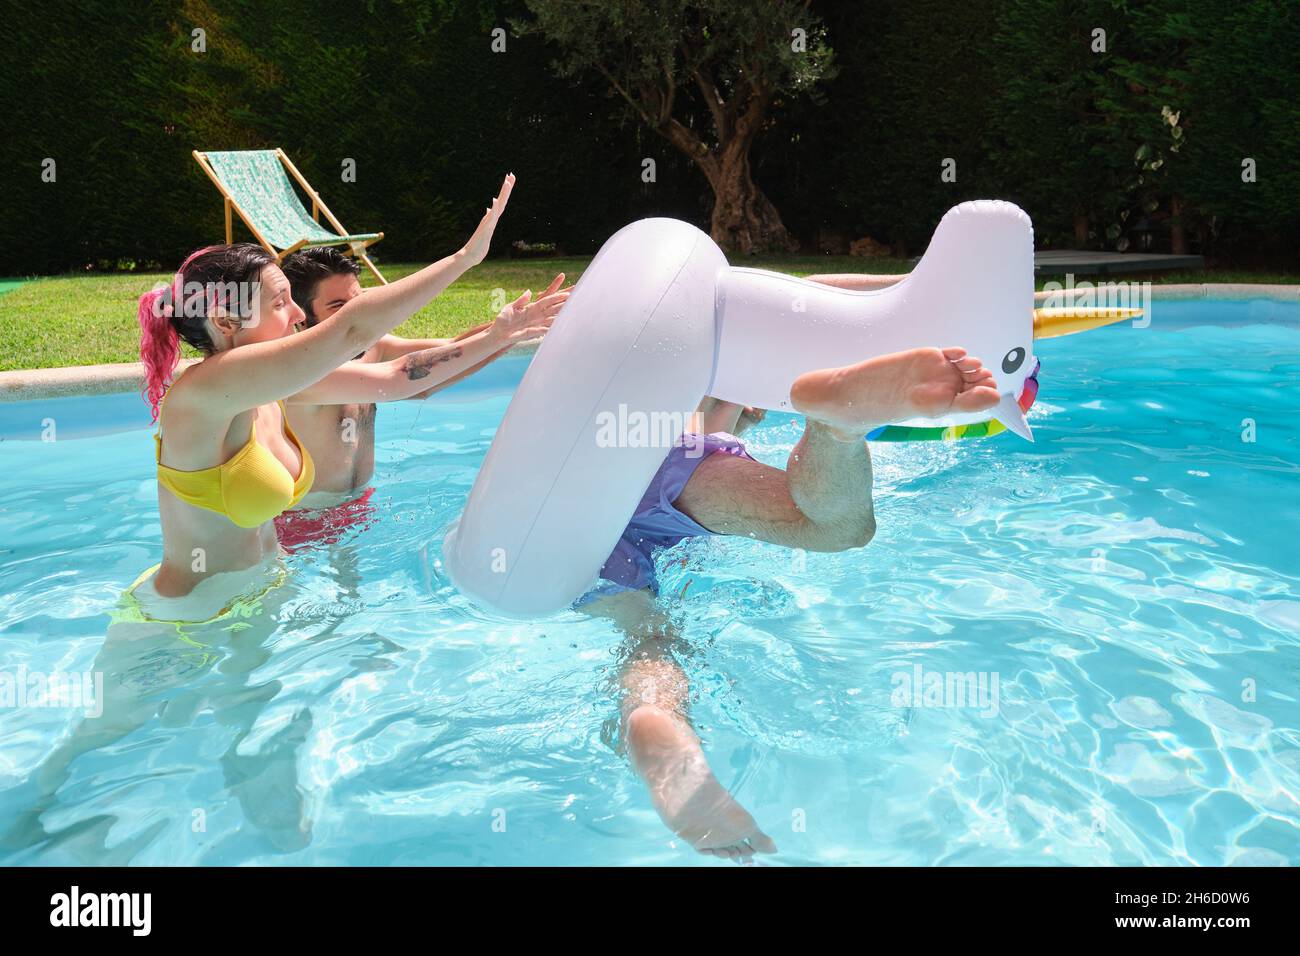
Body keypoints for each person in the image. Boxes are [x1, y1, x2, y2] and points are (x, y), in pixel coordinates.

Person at [580, 315, 1003, 859]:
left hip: (575, 507)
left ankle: (654, 716)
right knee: (837, 527)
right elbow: (723, 386)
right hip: (667, 481)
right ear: (752, 405)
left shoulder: (681, 406)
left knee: (647, 640)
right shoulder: (703, 436)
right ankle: (836, 428)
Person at [132, 174, 520, 621]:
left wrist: (502, 334)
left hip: (263, 600)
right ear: (224, 322)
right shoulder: (206, 391)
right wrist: (464, 259)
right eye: (280, 304)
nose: (298, 314)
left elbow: (398, 378)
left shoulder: (274, 387)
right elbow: (352, 328)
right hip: (185, 620)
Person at [273, 247, 567, 550]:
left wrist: (510, 331)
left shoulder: (372, 348)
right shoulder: (301, 374)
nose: (356, 317)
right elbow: (405, 376)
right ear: (302, 318)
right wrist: (497, 337)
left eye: (358, 304)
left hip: (359, 508)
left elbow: (451, 351)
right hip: (302, 525)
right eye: (339, 308)